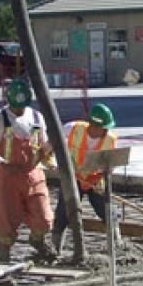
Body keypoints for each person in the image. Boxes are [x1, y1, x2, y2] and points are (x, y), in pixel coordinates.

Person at [0, 78, 54, 263]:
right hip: (8, 178)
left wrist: (50, 148)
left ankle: (38, 241)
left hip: (33, 174)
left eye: (21, 107)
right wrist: (2, 164)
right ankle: (3, 261)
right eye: (15, 107)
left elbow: (43, 144)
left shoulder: (36, 117)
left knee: (43, 218)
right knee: (5, 220)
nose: (19, 111)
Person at [50, 103, 118, 251]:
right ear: (94, 125)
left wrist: (97, 178)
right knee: (64, 212)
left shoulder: (110, 139)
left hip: (95, 180)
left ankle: (117, 244)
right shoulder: (73, 129)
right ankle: (55, 248)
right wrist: (52, 161)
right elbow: (52, 142)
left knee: (107, 210)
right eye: (104, 127)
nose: (106, 130)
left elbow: (110, 165)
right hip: (73, 177)